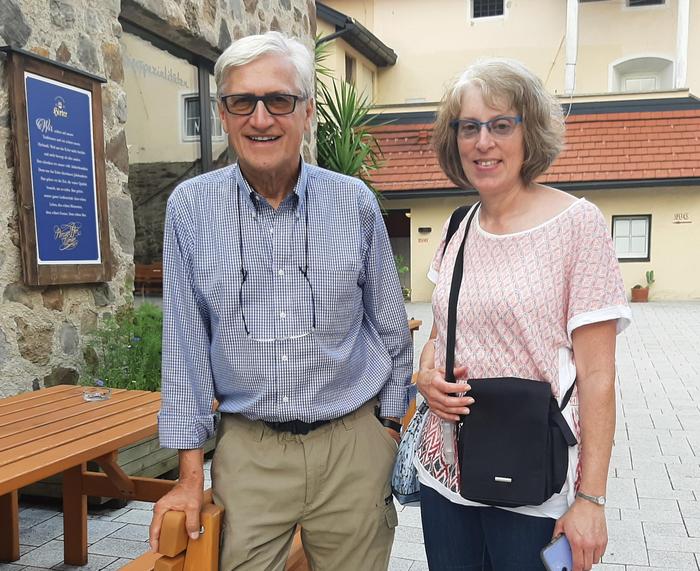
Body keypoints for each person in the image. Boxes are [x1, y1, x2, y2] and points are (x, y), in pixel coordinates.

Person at [148, 31, 412, 571]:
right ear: (222, 113)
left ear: (308, 111)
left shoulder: (353, 202)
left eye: (279, 101)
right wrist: (189, 477)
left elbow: (390, 327)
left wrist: (387, 430)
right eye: (241, 101)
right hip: (250, 451)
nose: (260, 118)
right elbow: (185, 346)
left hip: (351, 448)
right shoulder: (190, 209)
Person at [415, 58, 631, 571]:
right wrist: (425, 376)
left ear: (528, 133)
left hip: (537, 483)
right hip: (447, 477)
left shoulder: (578, 226)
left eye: (500, 124)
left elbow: (598, 377)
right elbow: (439, 335)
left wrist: (591, 500)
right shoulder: (455, 227)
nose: (483, 142)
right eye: (469, 127)